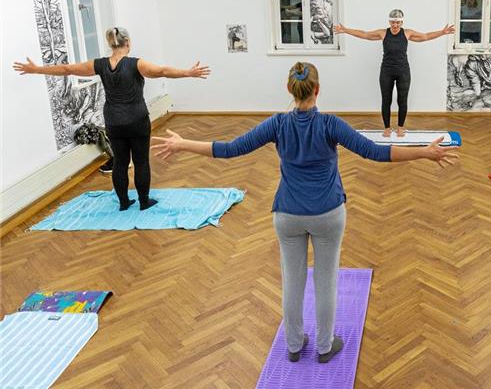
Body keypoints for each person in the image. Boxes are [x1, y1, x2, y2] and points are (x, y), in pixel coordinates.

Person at [151, 61, 459, 363]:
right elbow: (375, 152)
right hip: (328, 215)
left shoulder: (278, 124)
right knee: (325, 282)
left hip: (288, 216)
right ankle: (325, 347)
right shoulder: (330, 124)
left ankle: (294, 345)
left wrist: (182, 144)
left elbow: (230, 148)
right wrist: (425, 153)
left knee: (292, 282)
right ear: (318, 90)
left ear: (290, 89)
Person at [13, 27, 210, 211]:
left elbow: (67, 69)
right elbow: (162, 71)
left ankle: (124, 203)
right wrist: (188, 73)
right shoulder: (136, 63)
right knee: (141, 162)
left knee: (120, 162)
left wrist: (37, 69)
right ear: (128, 43)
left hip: (114, 121)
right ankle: (144, 201)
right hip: (137, 120)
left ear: (111, 44)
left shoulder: (99, 64)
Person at [333, 9, 455, 137]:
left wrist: (442, 32)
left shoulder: (407, 33)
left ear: (401, 22)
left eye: (398, 22)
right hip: (386, 71)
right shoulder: (383, 33)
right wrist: (346, 30)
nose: (395, 25)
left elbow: (425, 36)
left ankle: (400, 128)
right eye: (393, 22)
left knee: (402, 100)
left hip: (403, 71)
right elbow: (364, 34)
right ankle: (387, 128)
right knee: (386, 100)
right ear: (389, 21)